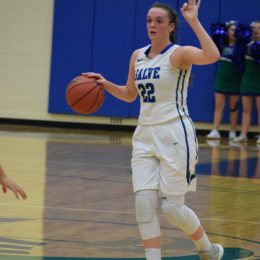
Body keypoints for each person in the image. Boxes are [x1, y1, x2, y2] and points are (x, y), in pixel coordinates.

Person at [84, 1, 223, 259]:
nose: (152, 25)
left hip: (174, 135)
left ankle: (208, 249)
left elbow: (212, 55)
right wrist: (104, 85)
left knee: (172, 209)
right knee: (144, 205)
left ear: (170, 26)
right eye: (149, 20)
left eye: (159, 21)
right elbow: (129, 94)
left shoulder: (178, 54)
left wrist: (193, 20)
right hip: (144, 135)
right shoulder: (137, 56)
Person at [207, 21, 245, 140]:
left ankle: (232, 131)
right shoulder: (221, 45)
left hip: (235, 81)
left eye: (235, 30)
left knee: (233, 107)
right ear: (226, 31)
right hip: (221, 81)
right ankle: (215, 130)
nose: (233, 32)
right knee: (219, 105)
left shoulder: (241, 47)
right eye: (231, 30)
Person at [233, 21, 260, 144]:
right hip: (247, 81)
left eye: (259, 28)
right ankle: (243, 134)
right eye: (253, 28)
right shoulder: (245, 45)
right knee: (246, 109)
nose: (256, 30)